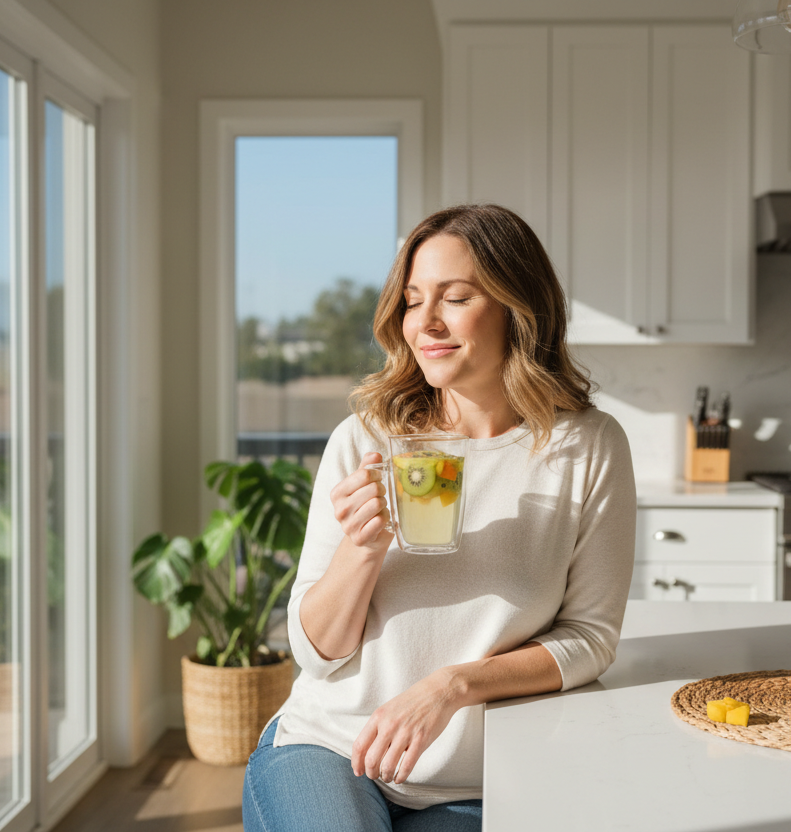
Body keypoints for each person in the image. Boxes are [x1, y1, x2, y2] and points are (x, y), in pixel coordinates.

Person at [242, 204, 636, 832]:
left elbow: (589, 638)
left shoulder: (586, 447)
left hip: (475, 780)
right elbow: (316, 654)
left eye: (455, 298)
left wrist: (452, 686)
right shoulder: (366, 438)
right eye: (412, 299)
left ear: (518, 309)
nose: (424, 322)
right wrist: (362, 551)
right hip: (330, 747)